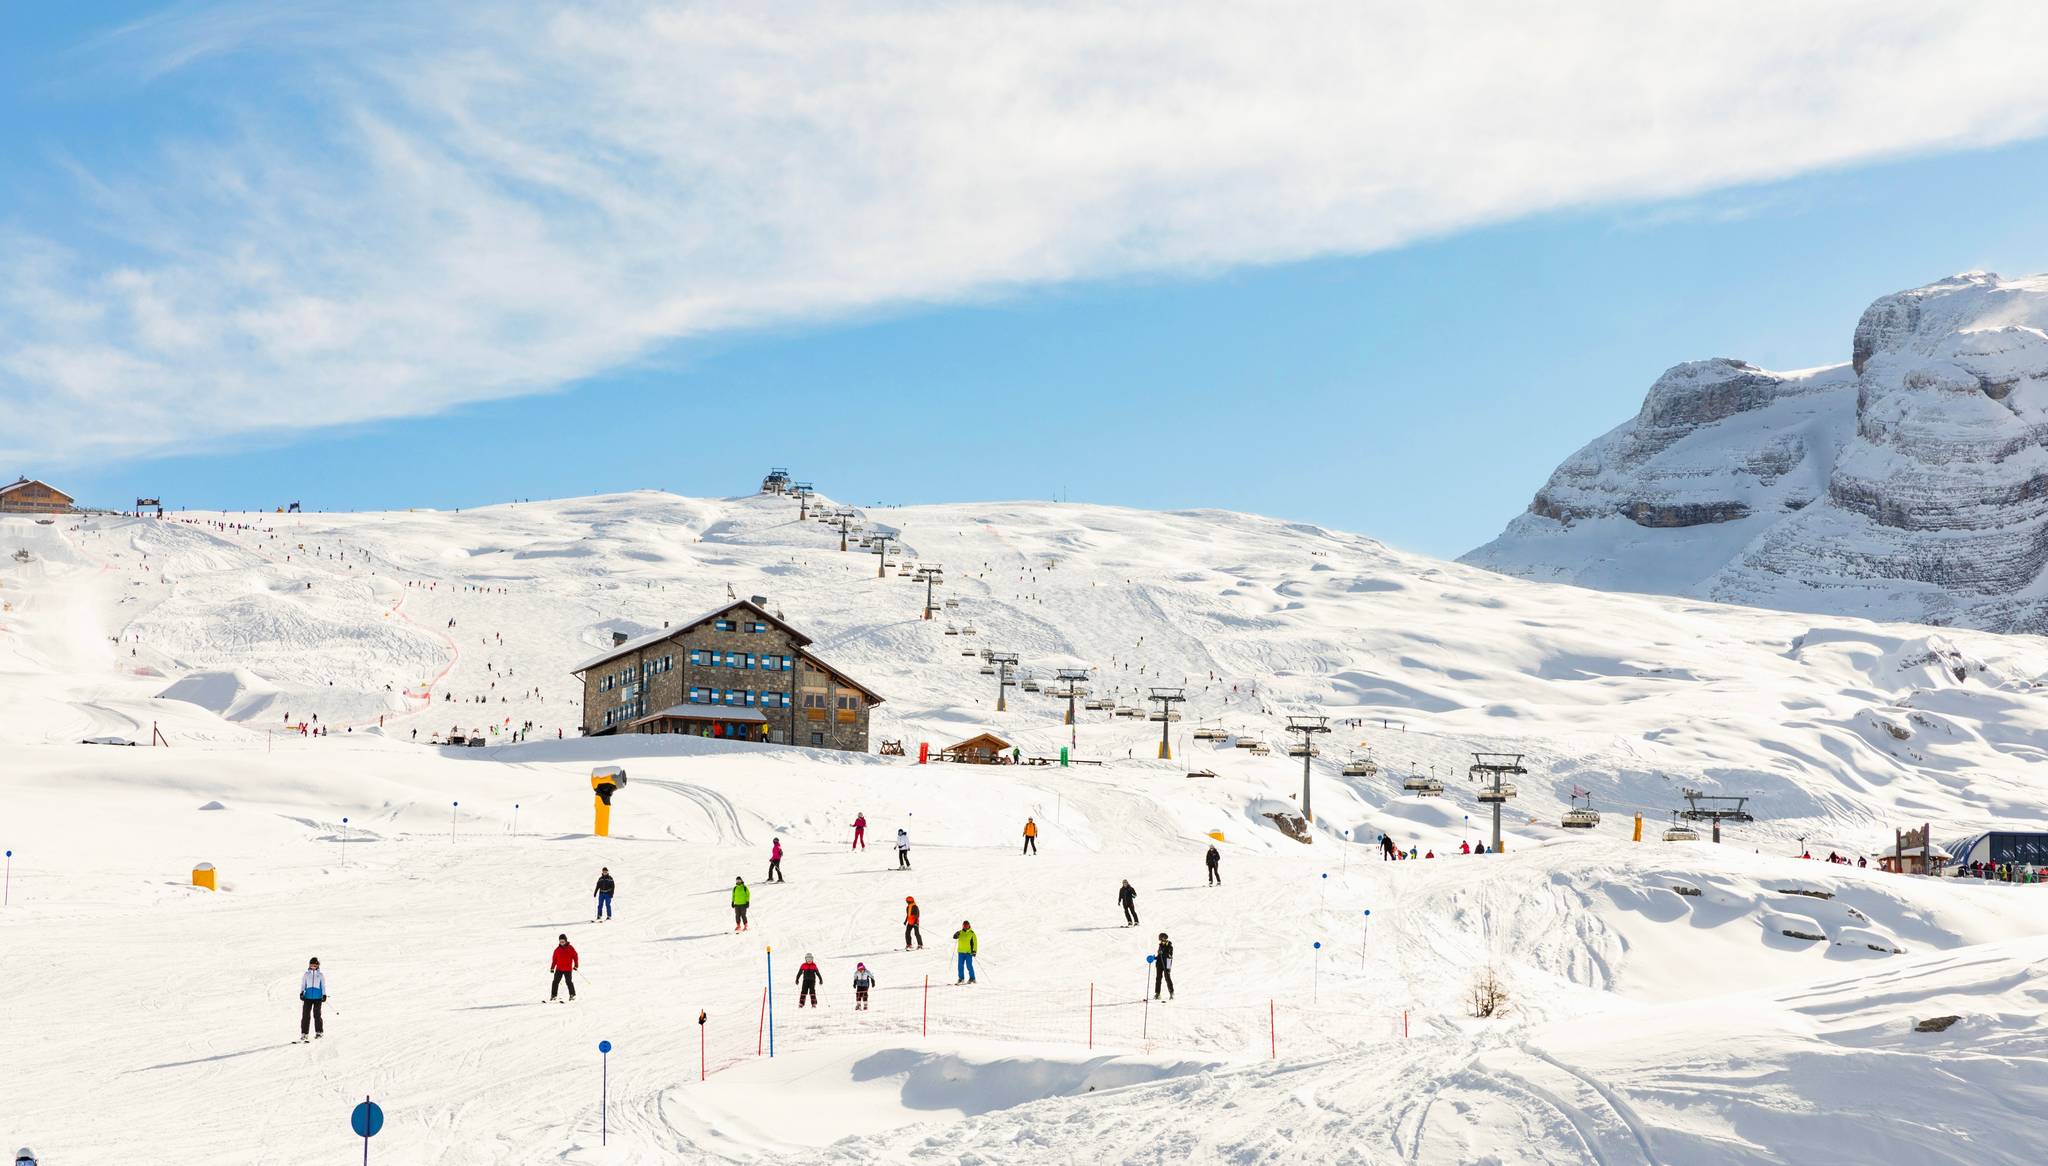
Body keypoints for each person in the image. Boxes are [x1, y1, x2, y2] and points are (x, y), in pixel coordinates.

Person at [298, 957, 327, 1041]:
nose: (313, 966)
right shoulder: (306, 974)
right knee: (305, 1015)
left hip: (318, 998)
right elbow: (303, 984)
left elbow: (323, 985)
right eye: (311, 965)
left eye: (315, 965)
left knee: (317, 1015)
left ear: (318, 965)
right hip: (307, 997)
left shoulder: (320, 975)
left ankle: (319, 1032)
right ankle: (304, 1033)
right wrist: (301, 992)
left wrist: (324, 995)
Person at [549, 935, 578, 1002]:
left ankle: (572, 995)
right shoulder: (557, 950)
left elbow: (575, 956)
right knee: (555, 982)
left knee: (568, 982)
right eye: (560, 941)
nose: (562, 942)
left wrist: (576, 965)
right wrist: (552, 968)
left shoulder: (570, 948)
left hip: (568, 969)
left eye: (563, 941)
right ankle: (553, 996)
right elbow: (554, 960)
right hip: (559, 969)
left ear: (566, 941)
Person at [1154, 933, 1175, 1000]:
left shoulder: (1170, 946)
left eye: (1162, 940)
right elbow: (1159, 956)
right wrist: (1155, 958)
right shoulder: (1160, 946)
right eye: (1160, 940)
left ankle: (1171, 993)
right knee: (1158, 979)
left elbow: (1170, 956)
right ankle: (1157, 994)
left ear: (1165, 939)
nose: (1161, 941)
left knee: (1167, 978)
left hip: (1166, 964)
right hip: (1159, 964)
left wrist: (1168, 968)